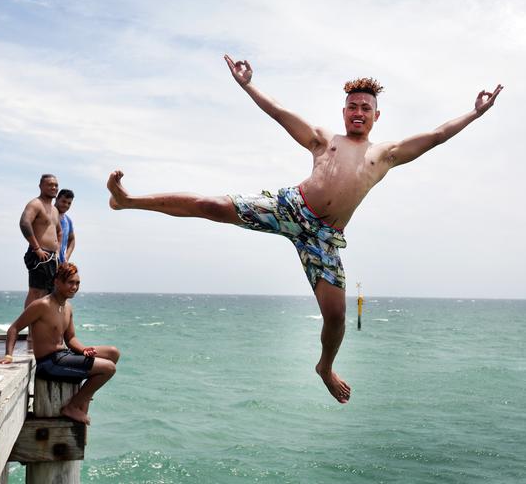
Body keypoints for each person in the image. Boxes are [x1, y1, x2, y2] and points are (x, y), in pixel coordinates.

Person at [106, 55, 503, 404]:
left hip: (323, 238)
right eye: (352, 107)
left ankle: (325, 368)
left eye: (366, 108)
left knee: (337, 317)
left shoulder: (386, 155)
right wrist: (248, 85)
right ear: (343, 111)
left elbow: (435, 137)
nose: (358, 113)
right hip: (289, 207)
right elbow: (279, 112)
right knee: (211, 206)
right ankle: (128, 200)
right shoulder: (323, 140)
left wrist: (475, 113)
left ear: (376, 115)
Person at [0, 262, 120, 424]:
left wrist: (83, 350)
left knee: (113, 353)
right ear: (57, 282)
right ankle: (73, 406)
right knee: (109, 368)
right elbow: (14, 328)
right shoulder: (41, 305)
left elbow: (71, 338)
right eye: (70, 283)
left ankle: (85, 397)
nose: (74, 287)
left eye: (77, 283)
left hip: (64, 356)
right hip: (49, 363)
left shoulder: (68, 307)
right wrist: (9, 355)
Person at [20, 174, 62, 309]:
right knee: (36, 291)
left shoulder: (55, 210)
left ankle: (41, 326)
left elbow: (59, 231)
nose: (54, 187)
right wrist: (37, 248)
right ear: (41, 186)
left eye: (56, 185)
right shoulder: (35, 204)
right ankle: (29, 325)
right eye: (50, 185)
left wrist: (57, 250)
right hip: (39, 254)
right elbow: (24, 223)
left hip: (52, 257)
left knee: (48, 292)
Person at [55, 189, 76, 263]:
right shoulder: (47, 214)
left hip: (60, 263)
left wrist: (66, 257)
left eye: (69, 203)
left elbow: (72, 240)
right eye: (63, 201)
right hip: (45, 261)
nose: (66, 205)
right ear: (57, 199)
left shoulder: (68, 221)